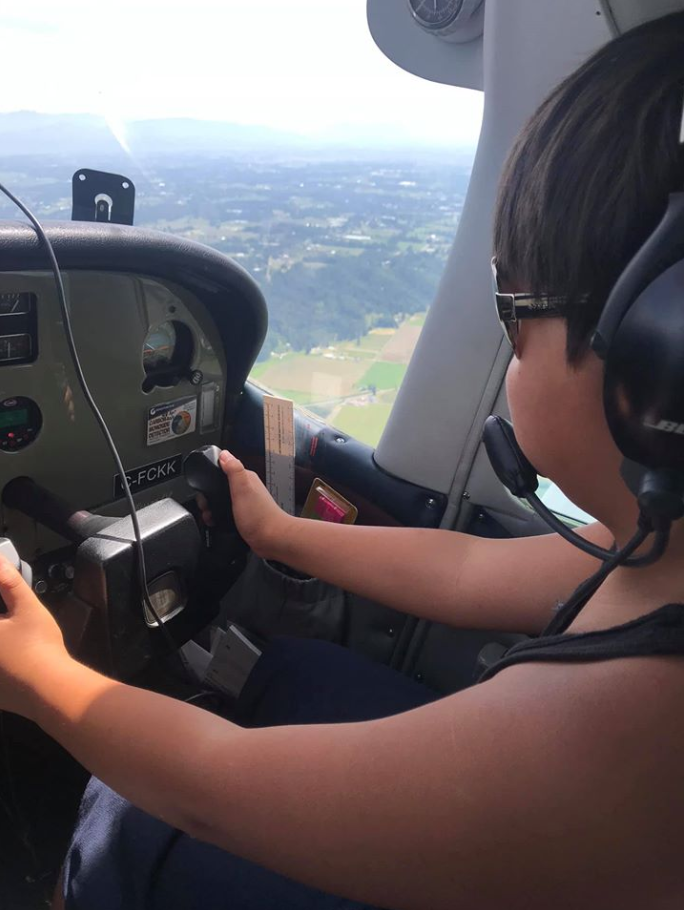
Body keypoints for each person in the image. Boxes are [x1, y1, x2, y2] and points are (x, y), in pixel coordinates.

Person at [2, 12, 684, 910]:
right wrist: (285, 534)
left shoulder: (632, 723)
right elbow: (477, 566)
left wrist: (41, 677)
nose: (506, 342)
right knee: (295, 674)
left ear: (658, 352)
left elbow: (213, 790)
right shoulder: (654, 549)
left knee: (126, 817)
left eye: (516, 311)